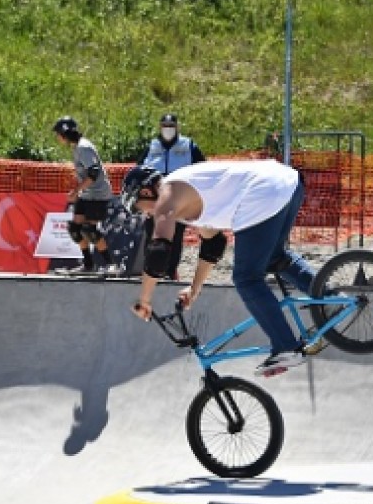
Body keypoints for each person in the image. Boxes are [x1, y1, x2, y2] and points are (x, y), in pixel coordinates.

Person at [123, 159, 318, 377]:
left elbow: (159, 253)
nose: (144, 214)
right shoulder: (186, 196)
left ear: (147, 192)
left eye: (138, 207)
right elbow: (213, 245)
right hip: (287, 183)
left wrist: (145, 300)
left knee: (246, 278)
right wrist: (195, 289)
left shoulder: (166, 196)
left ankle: (286, 346)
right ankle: (327, 296)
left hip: (263, 194)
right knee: (273, 258)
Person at [140, 113, 206, 279]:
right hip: (154, 200)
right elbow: (139, 170)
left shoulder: (188, 146)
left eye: (171, 126)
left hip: (179, 199)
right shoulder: (152, 146)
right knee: (152, 235)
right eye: (165, 126)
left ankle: (170, 271)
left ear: (177, 127)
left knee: (175, 237)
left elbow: (203, 169)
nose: (167, 129)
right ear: (160, 127)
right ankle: (152, 270)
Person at [53, 116, 115, 274]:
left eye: (58, 134)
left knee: (89, 230)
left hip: (98, 194)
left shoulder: (84, 147)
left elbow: (93, 173)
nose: (57, 138)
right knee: (75, 228)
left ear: (64, 133)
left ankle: (110, 264)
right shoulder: (77, 147)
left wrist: (77, 190)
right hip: (87, 194)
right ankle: (88, 265)